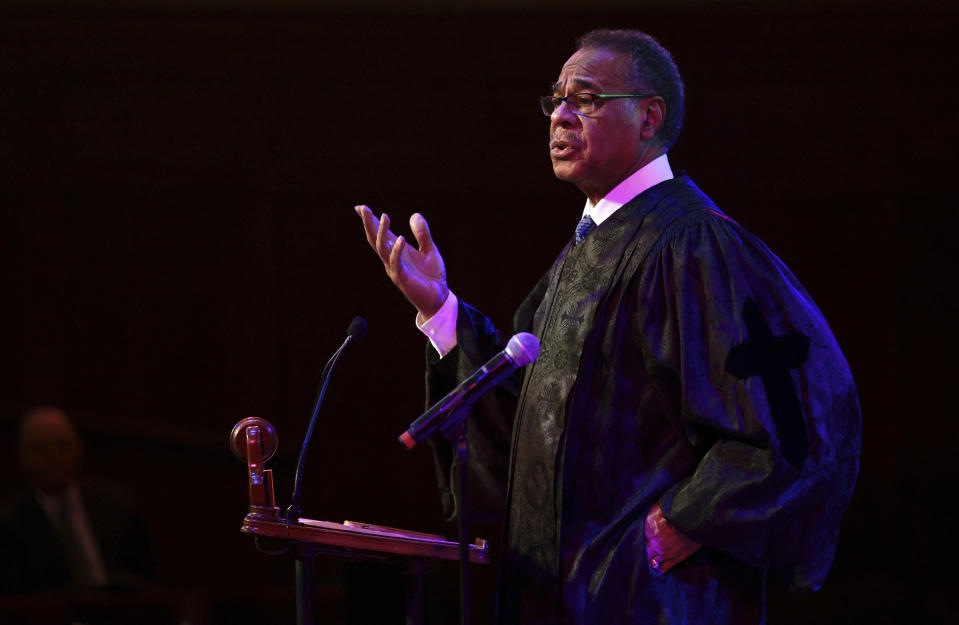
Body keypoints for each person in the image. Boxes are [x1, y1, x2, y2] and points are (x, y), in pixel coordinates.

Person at [355, 29, 861, 625]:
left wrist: (681, 524)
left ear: (650, 117)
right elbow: (525, 426)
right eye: (556, 99)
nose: (560, 116)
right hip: (557, 597)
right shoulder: (585, 253)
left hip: (652, 599)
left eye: (586, 99)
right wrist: (441, 310)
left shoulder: (696, 245)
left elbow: (799, 421)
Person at [0, 405, 155, 594]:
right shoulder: (9, 523)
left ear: (79, 447)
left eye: (62, 445)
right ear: (23, 457)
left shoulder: (117, 507)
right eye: (41, 449)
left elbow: (147, 579)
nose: (54, 457)